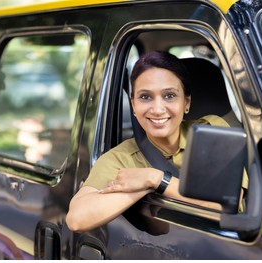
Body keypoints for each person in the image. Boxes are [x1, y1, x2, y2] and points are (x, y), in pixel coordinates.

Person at [66, 50, 229, 233]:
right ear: (133, 105)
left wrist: (154, 179)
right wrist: (142, 188)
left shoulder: (213, 129)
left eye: (169, 95)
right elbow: (77, 219)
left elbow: (227, 207)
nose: (158, 109)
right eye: (145, 97)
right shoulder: (121, 158)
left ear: (186, 102)